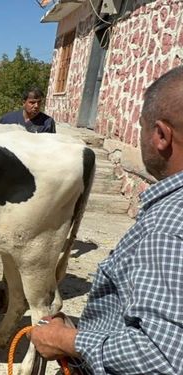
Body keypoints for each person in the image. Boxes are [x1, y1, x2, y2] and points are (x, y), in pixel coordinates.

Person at [30, 66, 183, 374]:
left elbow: (165, 357)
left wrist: (67, 340)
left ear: (161, 135)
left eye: (140, 126)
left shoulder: (168, 226)